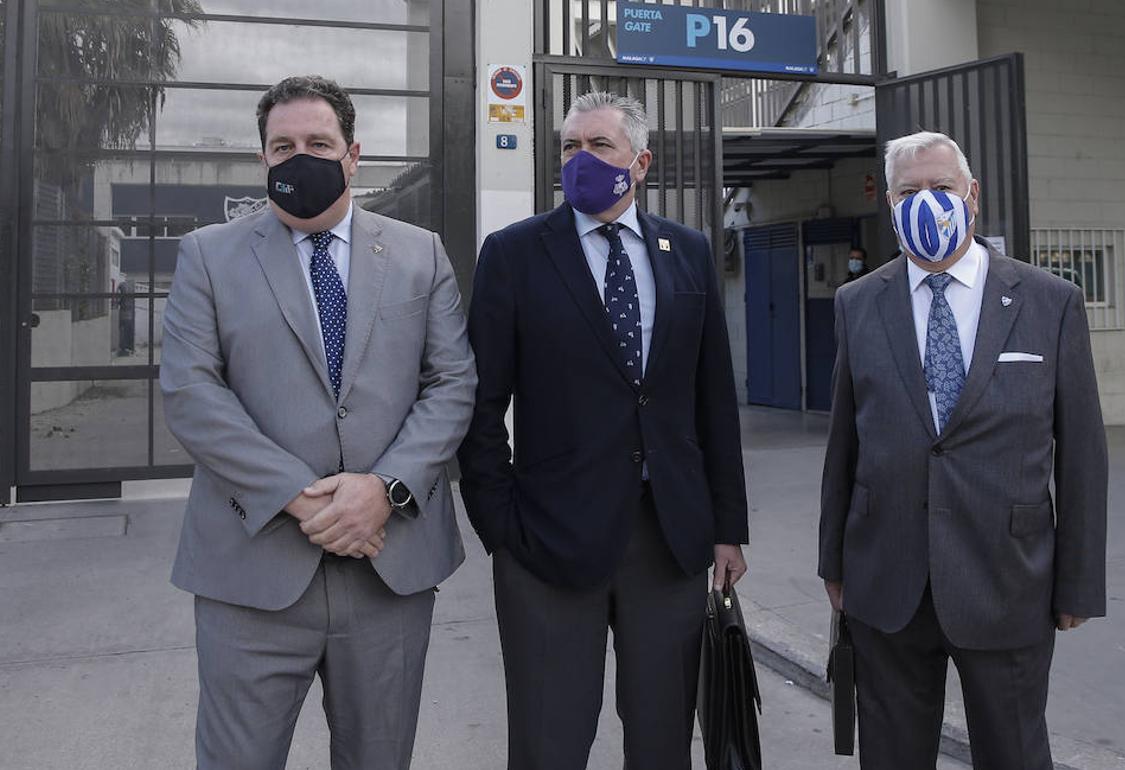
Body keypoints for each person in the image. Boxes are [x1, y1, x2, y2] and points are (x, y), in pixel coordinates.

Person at [160, 75, 476, 770]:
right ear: (264, 159)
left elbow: (452, 383)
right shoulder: (209, 255)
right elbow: (191, 391)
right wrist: (301, 497)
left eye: (318, 143)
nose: (299, 156)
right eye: (283, 145)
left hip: (387, 569)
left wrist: (383, 490)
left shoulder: (420, 254)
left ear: (353, 155)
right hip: (251, 577)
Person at [457, 91, 749, 770]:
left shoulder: (689, 253)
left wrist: (727, 524)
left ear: (640, 163)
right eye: (569, 146)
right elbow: (478, 401)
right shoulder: (516, 254)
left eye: (599, 146)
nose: (580, 159)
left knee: (662, 742)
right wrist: (499, 524)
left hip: (669, 539)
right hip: (548, 545)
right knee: (548, 744)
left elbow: (713, 401)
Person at [818, 131, 1107, 769]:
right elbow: (845, 443)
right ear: (889, 205)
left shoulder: (1049, 301)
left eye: (941, 188)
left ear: (972, 197)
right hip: (888, 582)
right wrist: (834, 562)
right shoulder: (857, 303)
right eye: (909, 191)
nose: (927, 201)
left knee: (1015, 753)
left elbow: (1082, 451)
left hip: (1008, 581)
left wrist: (1079, 583)